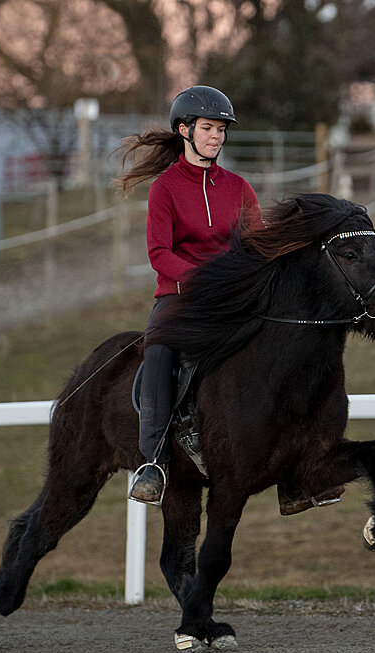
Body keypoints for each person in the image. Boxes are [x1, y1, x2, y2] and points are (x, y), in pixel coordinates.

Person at [117, 85, 261, 505]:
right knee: (158, 350)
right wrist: (203, 279)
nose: (217, 137)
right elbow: (159, 253)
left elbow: (259, 242)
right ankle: (154, 462)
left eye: (221, 130)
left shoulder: (239, 188)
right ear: (185, 130)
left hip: (233, 297)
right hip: (180, 296)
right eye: (209, 128)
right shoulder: (164, 189)